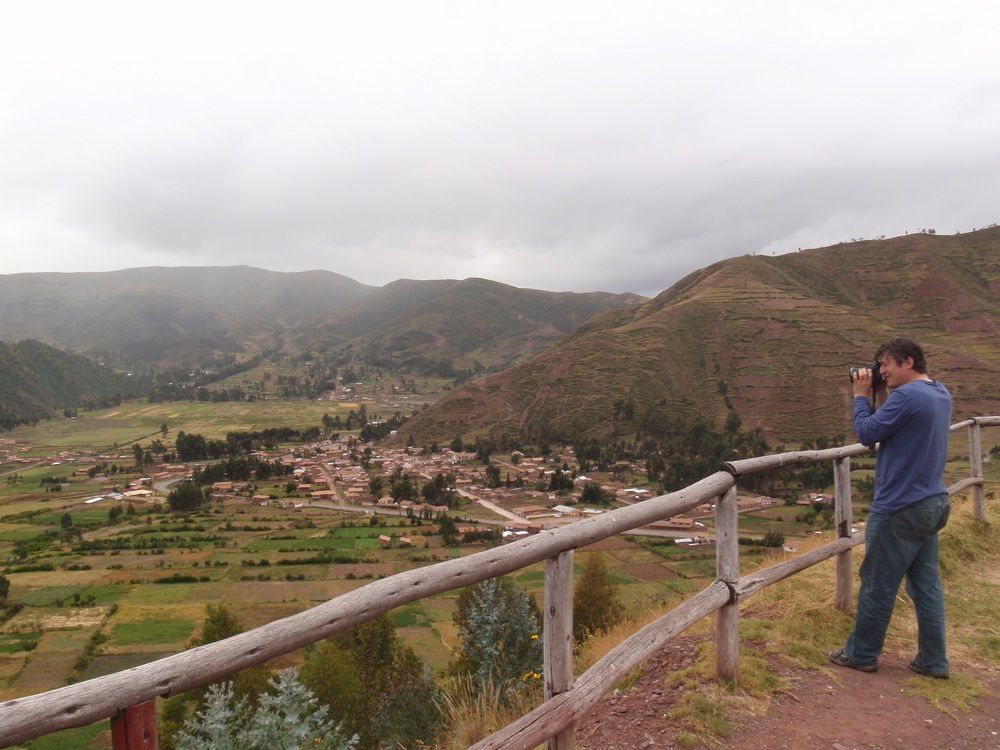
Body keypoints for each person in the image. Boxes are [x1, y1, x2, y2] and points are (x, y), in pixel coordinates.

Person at [828, 337, 952, 679]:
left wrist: (859, 397)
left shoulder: (909, 397)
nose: (881, 371)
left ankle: (862, 653)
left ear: (908, 362)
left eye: (886, 365)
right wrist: (881, 394)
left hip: (900, 507)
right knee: (926, 585)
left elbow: (868, 433)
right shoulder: (938, 392)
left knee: (877, 584)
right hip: (932, 502)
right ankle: (933, 660)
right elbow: (895, 425)